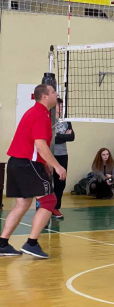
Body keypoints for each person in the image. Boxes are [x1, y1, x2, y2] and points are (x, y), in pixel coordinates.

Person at [0, 84, 66, 258]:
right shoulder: (40, 114)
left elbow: (36, 145)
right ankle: (31, 243)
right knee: (49, 201)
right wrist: (57, 166)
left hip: (16, 163)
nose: (56, 94)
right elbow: (40, 145)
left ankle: (2, 244)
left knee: (22, 204)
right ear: (45, 96)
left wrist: (45, 163)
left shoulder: (37, 112)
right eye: (53, 92)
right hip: (27, 164)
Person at [51, 98, 75, 218]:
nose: (60, 109)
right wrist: (63, 136)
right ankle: (45, 208)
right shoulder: (49, 119)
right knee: (48, 182)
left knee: (60, 182)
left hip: (62, 155)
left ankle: (56, 208)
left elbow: (72, 137)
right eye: (58, 106)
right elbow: (51, 138)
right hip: (50, 154)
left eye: (62, 107)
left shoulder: (66, 121)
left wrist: (58, 136)